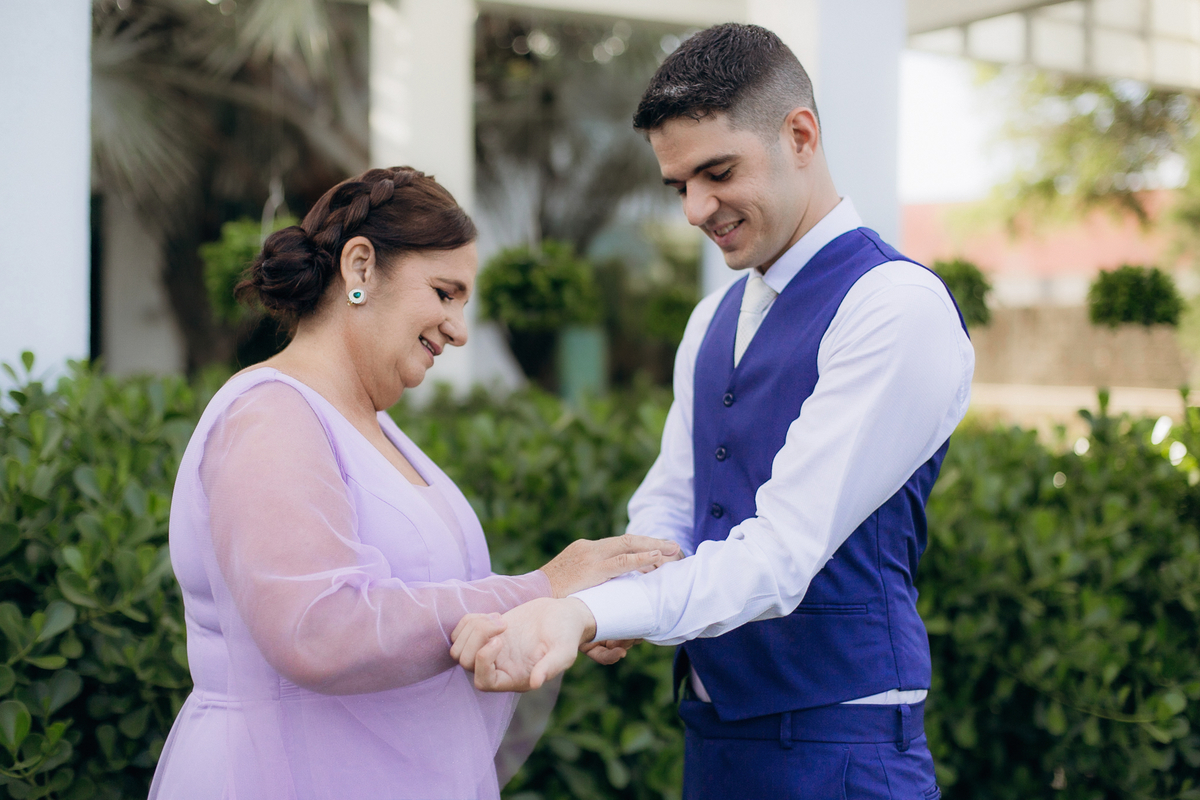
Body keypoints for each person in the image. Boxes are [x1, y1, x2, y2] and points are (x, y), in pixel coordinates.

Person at [451, 24, 975, 799]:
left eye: (718, 172)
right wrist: (604, 592)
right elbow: (675, 496)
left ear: (801, 134)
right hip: (715, 731)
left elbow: (780, 552)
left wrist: (586, 616)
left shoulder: (895, 307)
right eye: (678, 185)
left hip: (841, 743)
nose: (696, 209)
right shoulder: (712, 319)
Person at [148, 166, 679, 800]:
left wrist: (563, 614)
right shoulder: (270, 415)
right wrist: (540, 586)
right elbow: (319, 629)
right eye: (444, 293)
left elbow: (438, 615)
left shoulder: (378, 428)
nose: (458, 328)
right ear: (361, 267)